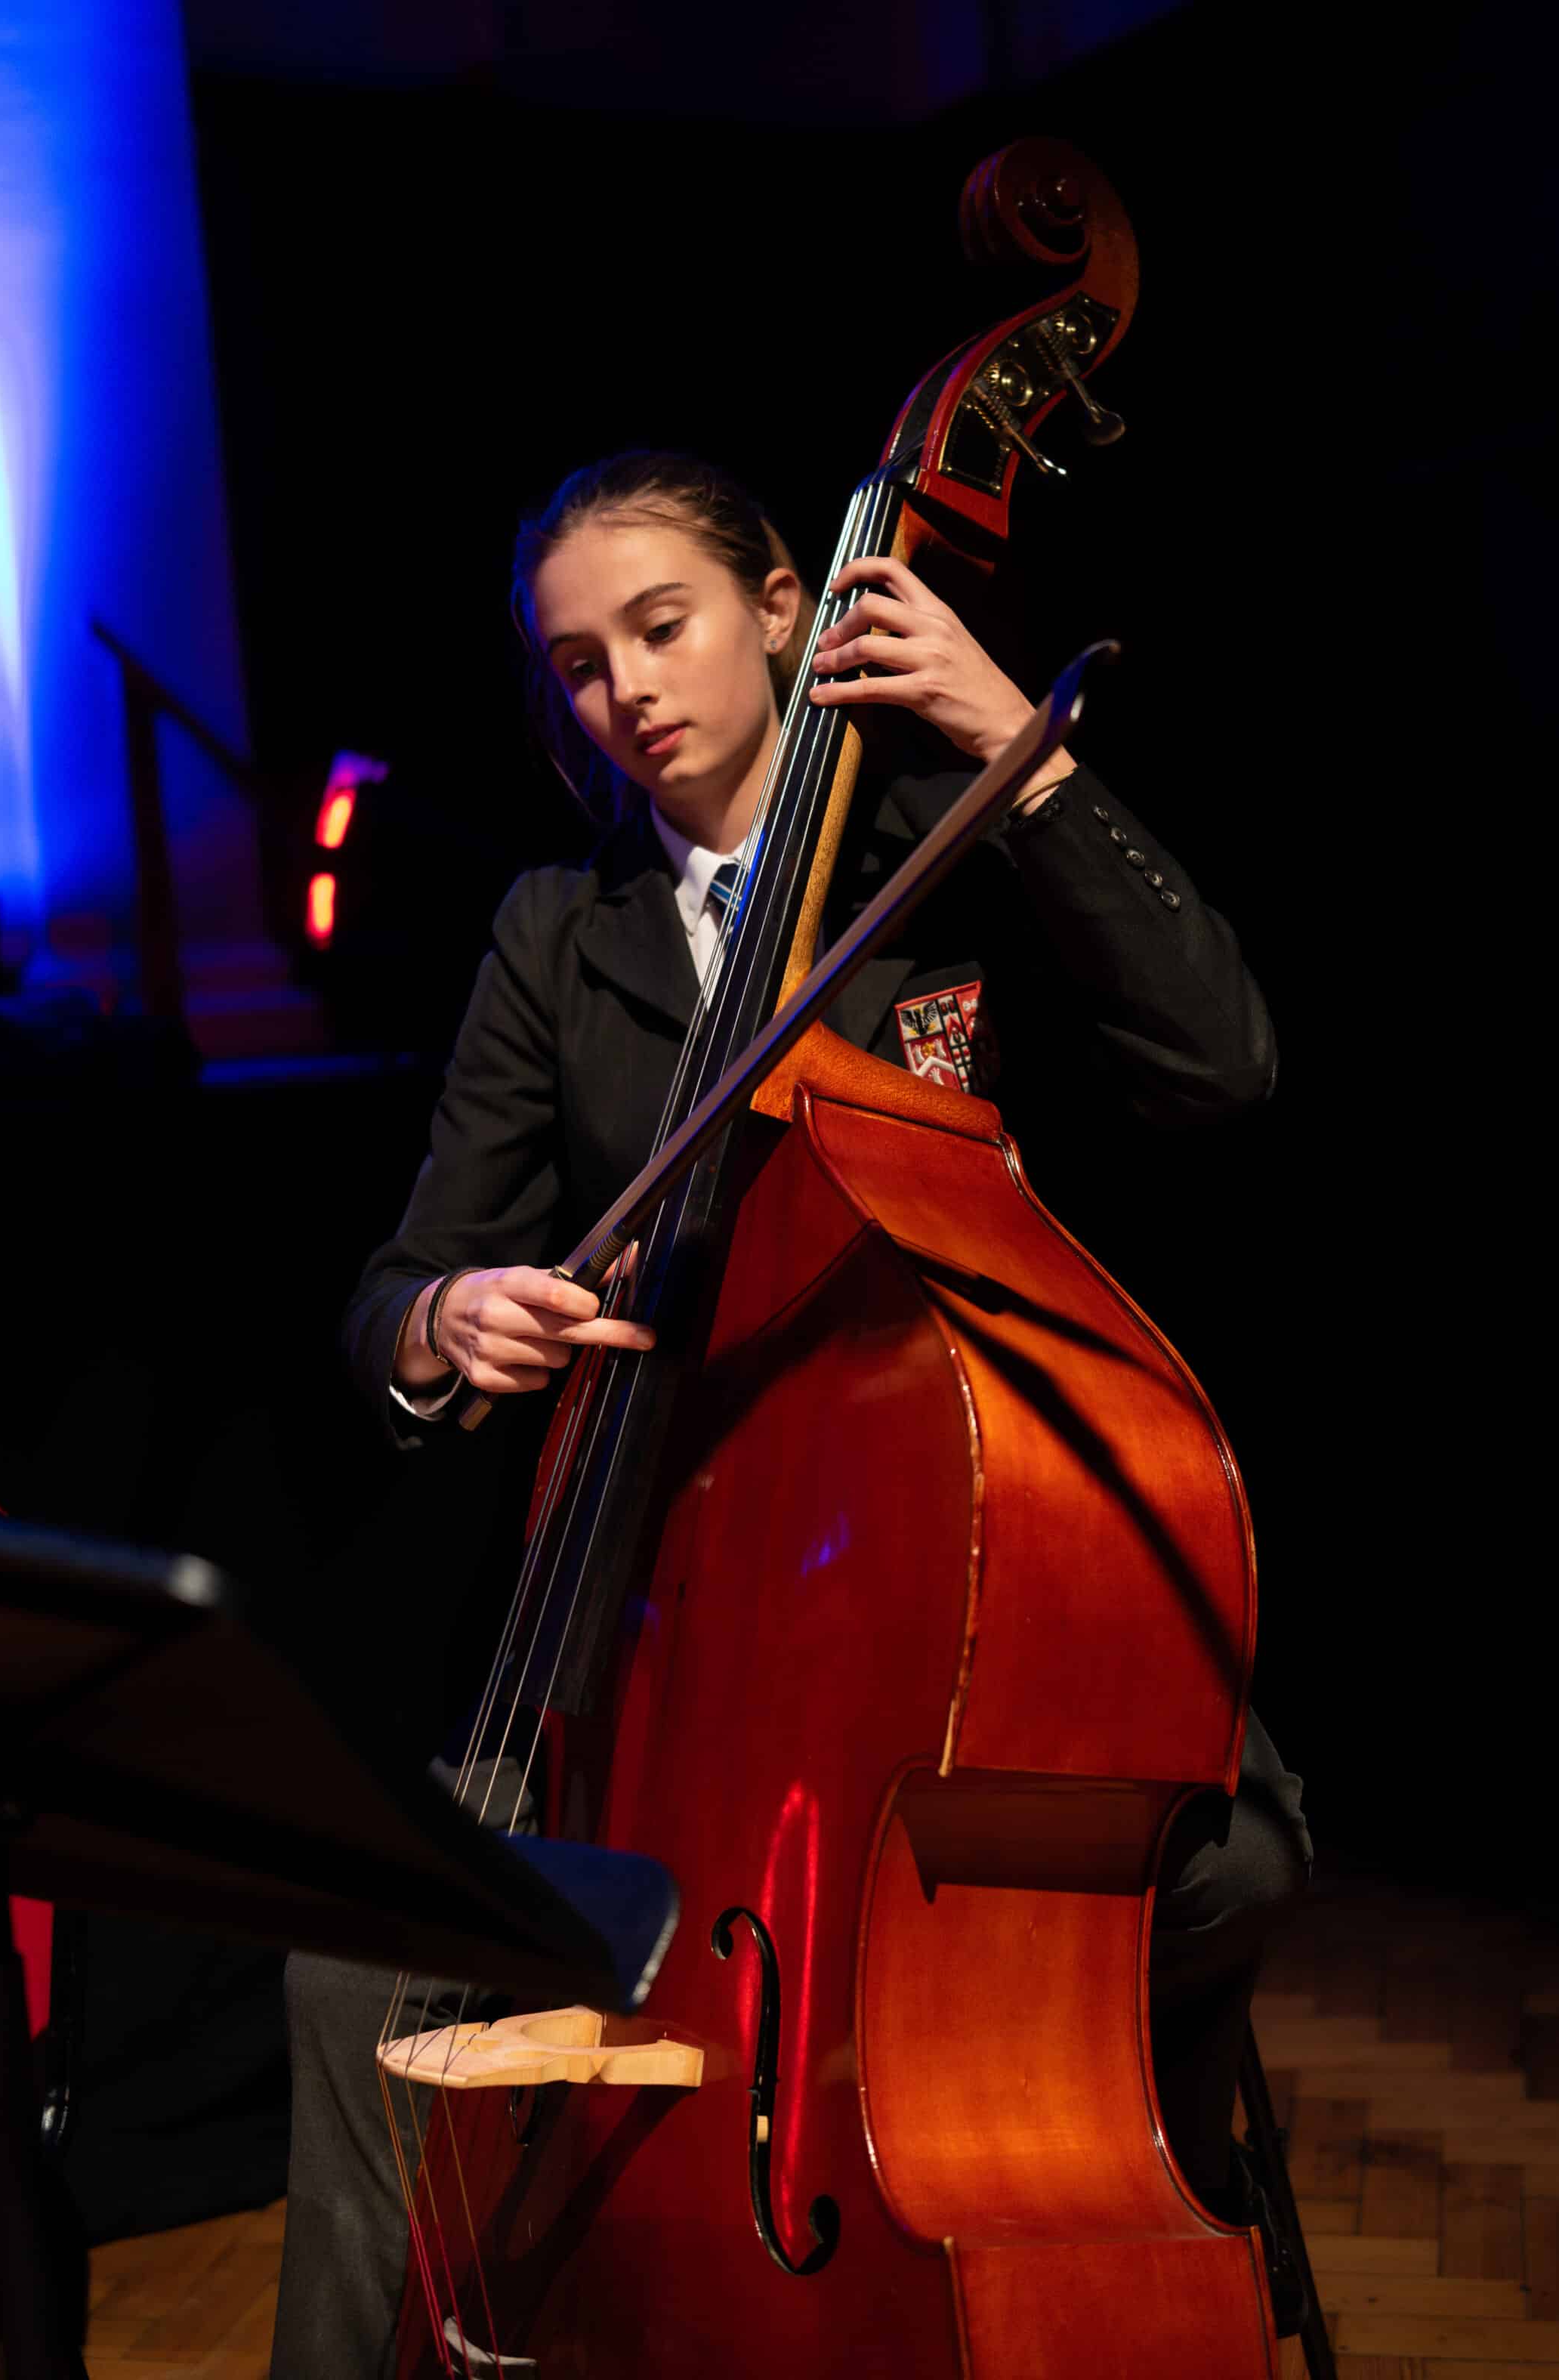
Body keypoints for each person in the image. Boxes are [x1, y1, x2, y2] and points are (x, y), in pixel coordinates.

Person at [272, 450, 1311, 2378]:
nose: (627, 692)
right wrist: (446, 1316)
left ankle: (1047, 2193)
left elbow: (1219, 1065)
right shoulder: (554, 930)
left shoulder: (959, 846)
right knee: (352, 1946)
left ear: (781, 606)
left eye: (661, 628)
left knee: (1231, 1860)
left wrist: (1025, 751)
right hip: (661, 1636)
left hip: (967, 1599)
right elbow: (397, 1287)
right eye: (578, 668)